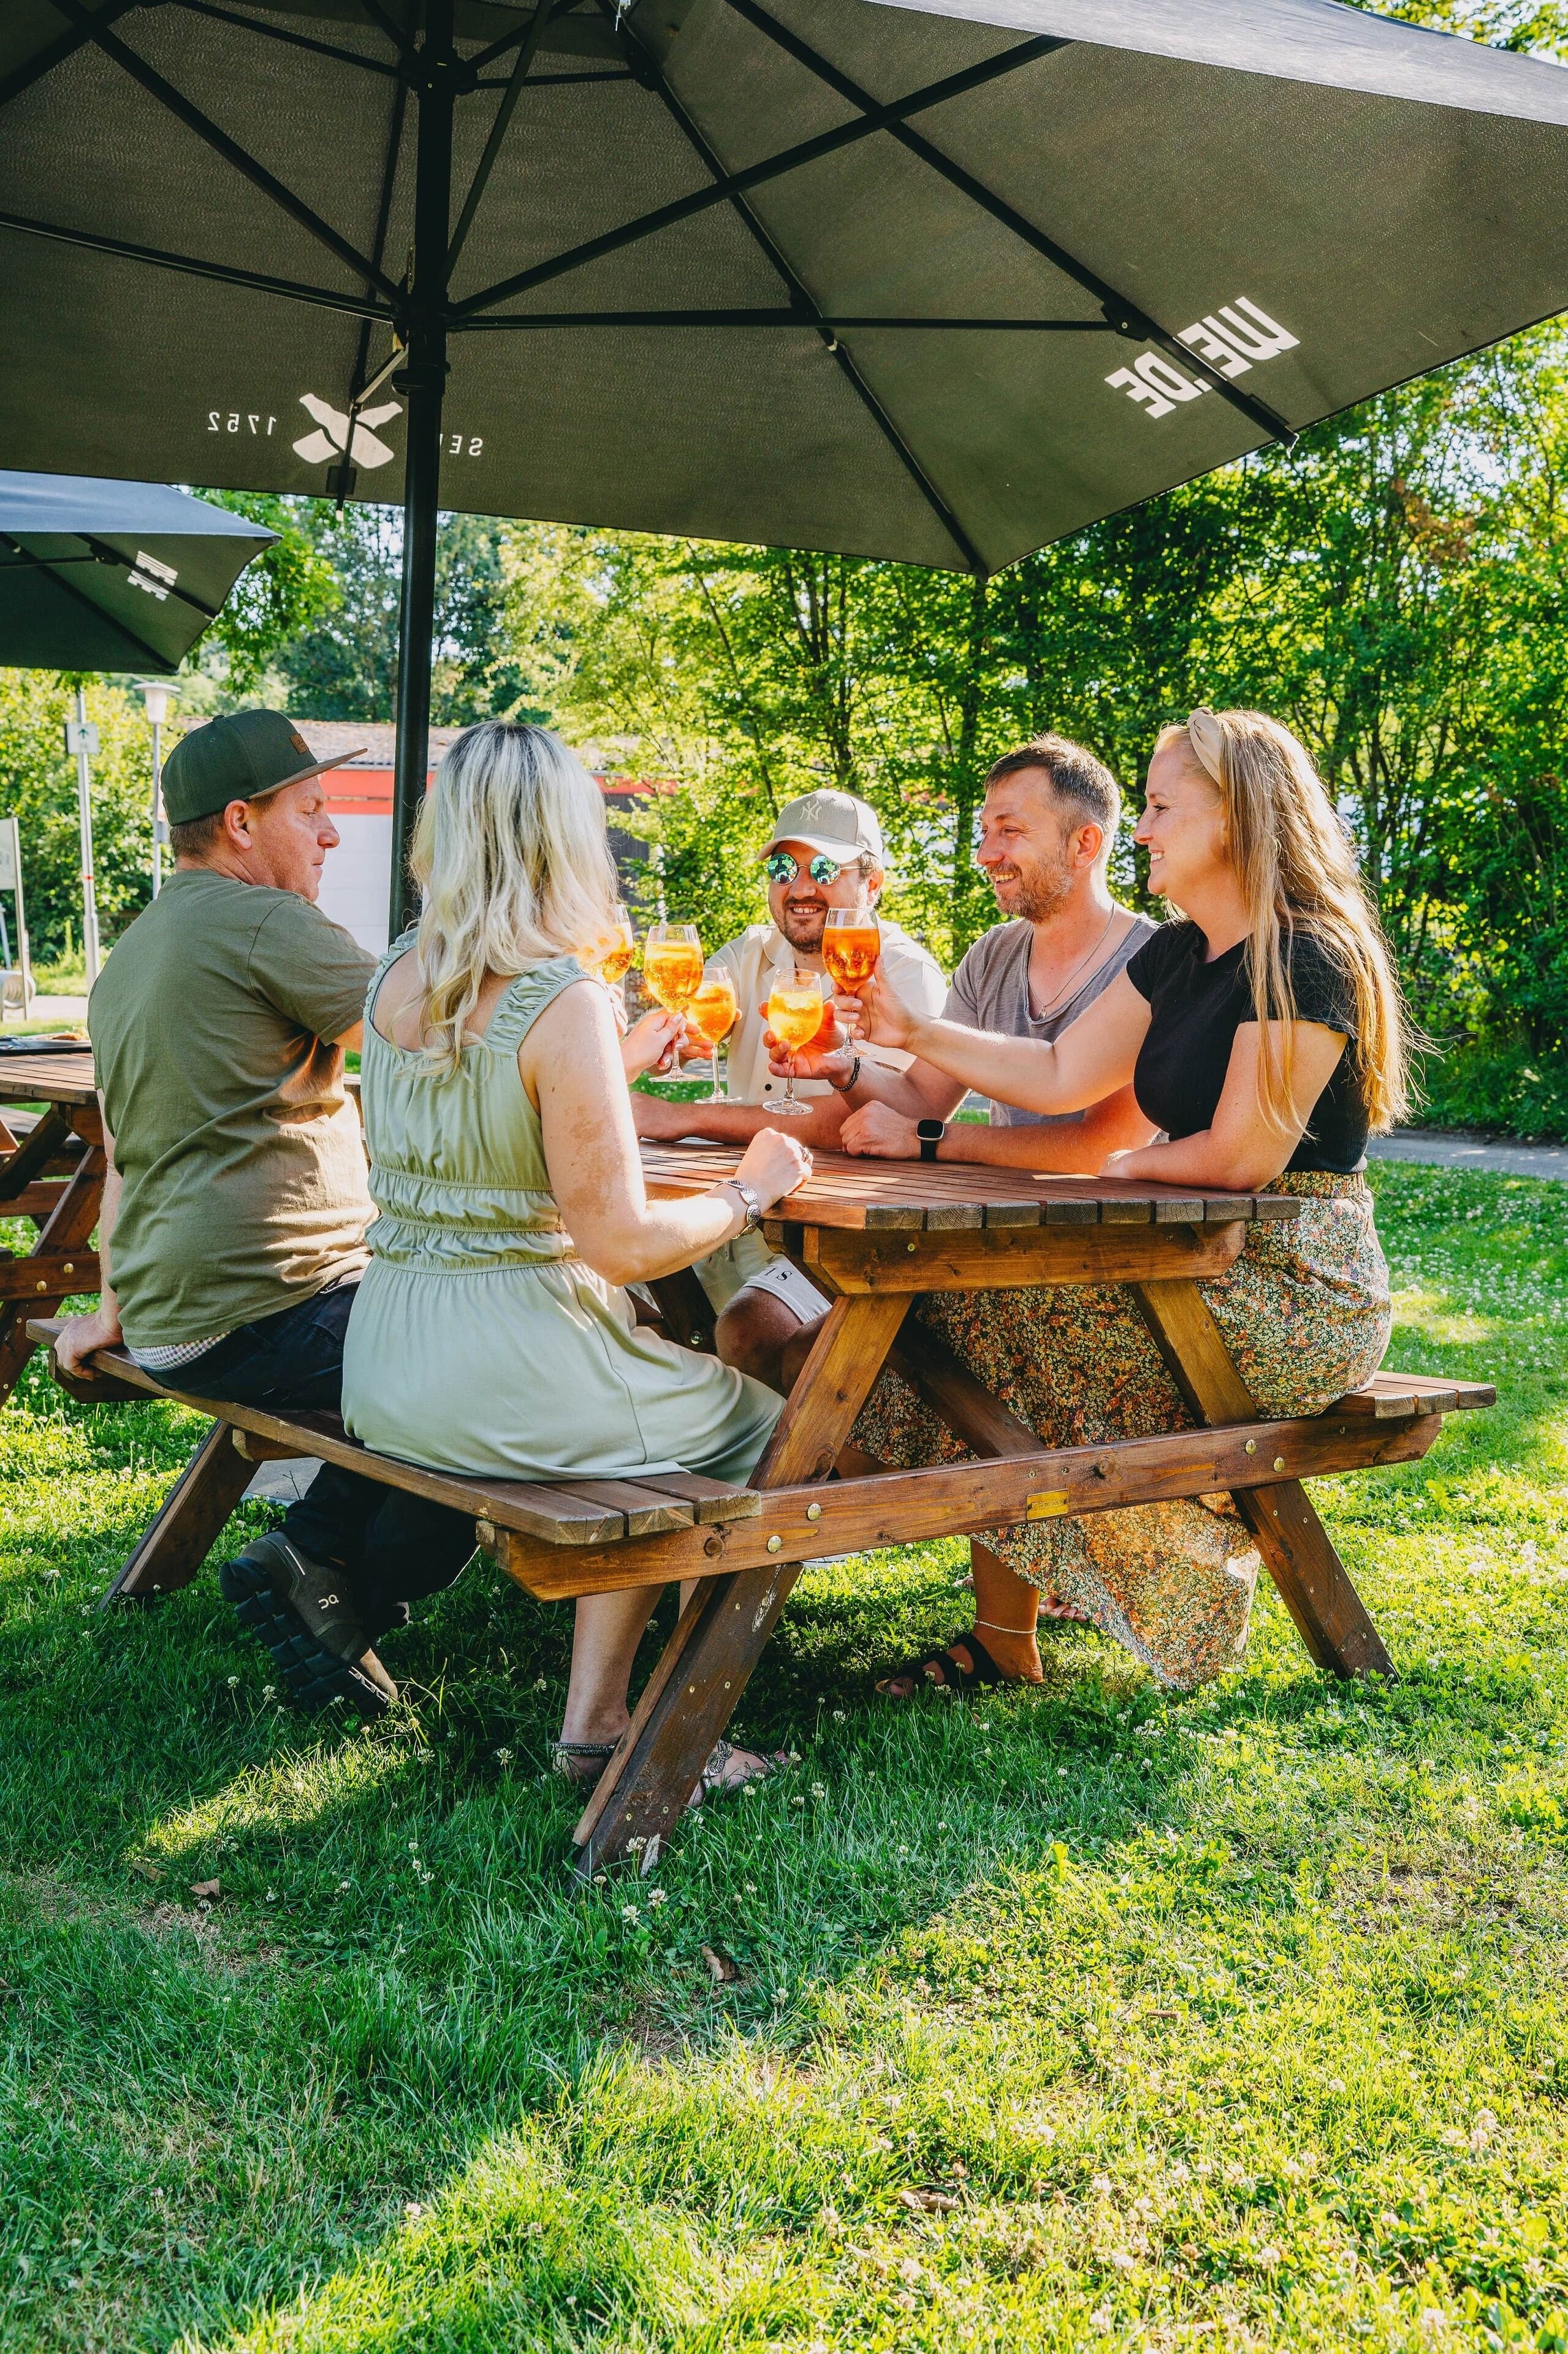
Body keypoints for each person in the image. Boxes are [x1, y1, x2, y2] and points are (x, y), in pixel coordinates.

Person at [782, 708, 1407, 1695]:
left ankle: (1100, 1586)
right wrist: (912, 1032)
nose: (1141, 830)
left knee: (966, 1322)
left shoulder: (1304, 955)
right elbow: (1058, 1072)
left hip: (1294, 1287)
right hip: (1197, 1252)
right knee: (944, 1313)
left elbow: (1238, 1158)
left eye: (1159, 808)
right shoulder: (1177, 954)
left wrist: (1114, 1168)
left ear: (1235, 818)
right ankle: (1007, 1610)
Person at [340, 720, 812, 1794]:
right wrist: (751, 1190)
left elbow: (482, 1128)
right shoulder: (561, 998)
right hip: (506, 1373)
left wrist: (615, 1059)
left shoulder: (394, 977)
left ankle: (594, 1725)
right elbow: (622, 1244)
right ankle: (672, 1736)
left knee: (647, 1416)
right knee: (767, 1432)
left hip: (388, 1361)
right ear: (563, 840)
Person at [55, 710, 482, 1720]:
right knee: (488, 1366)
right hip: (271, 1307)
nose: (331, 834)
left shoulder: (133, 954)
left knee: (450, 1348)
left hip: (179, 1319)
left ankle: (326, 1584)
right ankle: (321, 1568)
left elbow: (128, 1155)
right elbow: (447, 1040)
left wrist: (115, 1308)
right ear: (241, 822)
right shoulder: (264, 923)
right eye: (311, 811)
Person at [632, 787, 946, 1383]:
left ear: (873, 884)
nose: (800, 887)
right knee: (605, 1293)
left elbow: (852, 1124)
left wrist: (682, 1117)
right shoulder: (753, 952)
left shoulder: (903, 975)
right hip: (735, 1216)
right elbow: (690, 1011)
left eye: (824, 870)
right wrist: (673, 1045)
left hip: (839, 1240)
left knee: (746, 1331)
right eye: (783, 869)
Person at [822, 736, 1158, 1172]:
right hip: (996, 1214)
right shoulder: (992, 955)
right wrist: (843, 1066)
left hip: (1123, 1218)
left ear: (1084, 845)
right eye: (985, 832)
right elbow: (922, 1100)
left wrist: (927, 1140)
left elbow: (1103, 1147)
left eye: (1010, 831)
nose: (984, 855)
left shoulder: (1153, 960)